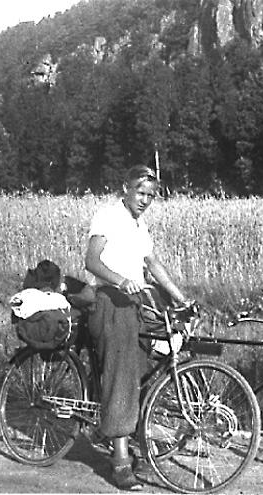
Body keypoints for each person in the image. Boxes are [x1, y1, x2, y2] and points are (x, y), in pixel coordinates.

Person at [85, 165, 191, 491]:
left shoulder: (139, 224)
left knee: (157, 355)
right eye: (140, 193)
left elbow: (152, 263)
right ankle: (119, 460)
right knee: (123, 372)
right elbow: (92, 261)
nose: (145, 200)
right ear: (126, 188)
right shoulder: (108, 217)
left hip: (135, 303)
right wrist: (120, 281)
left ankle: (132, 434)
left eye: (151, 196)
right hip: (110, 302)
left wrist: (181, 299)